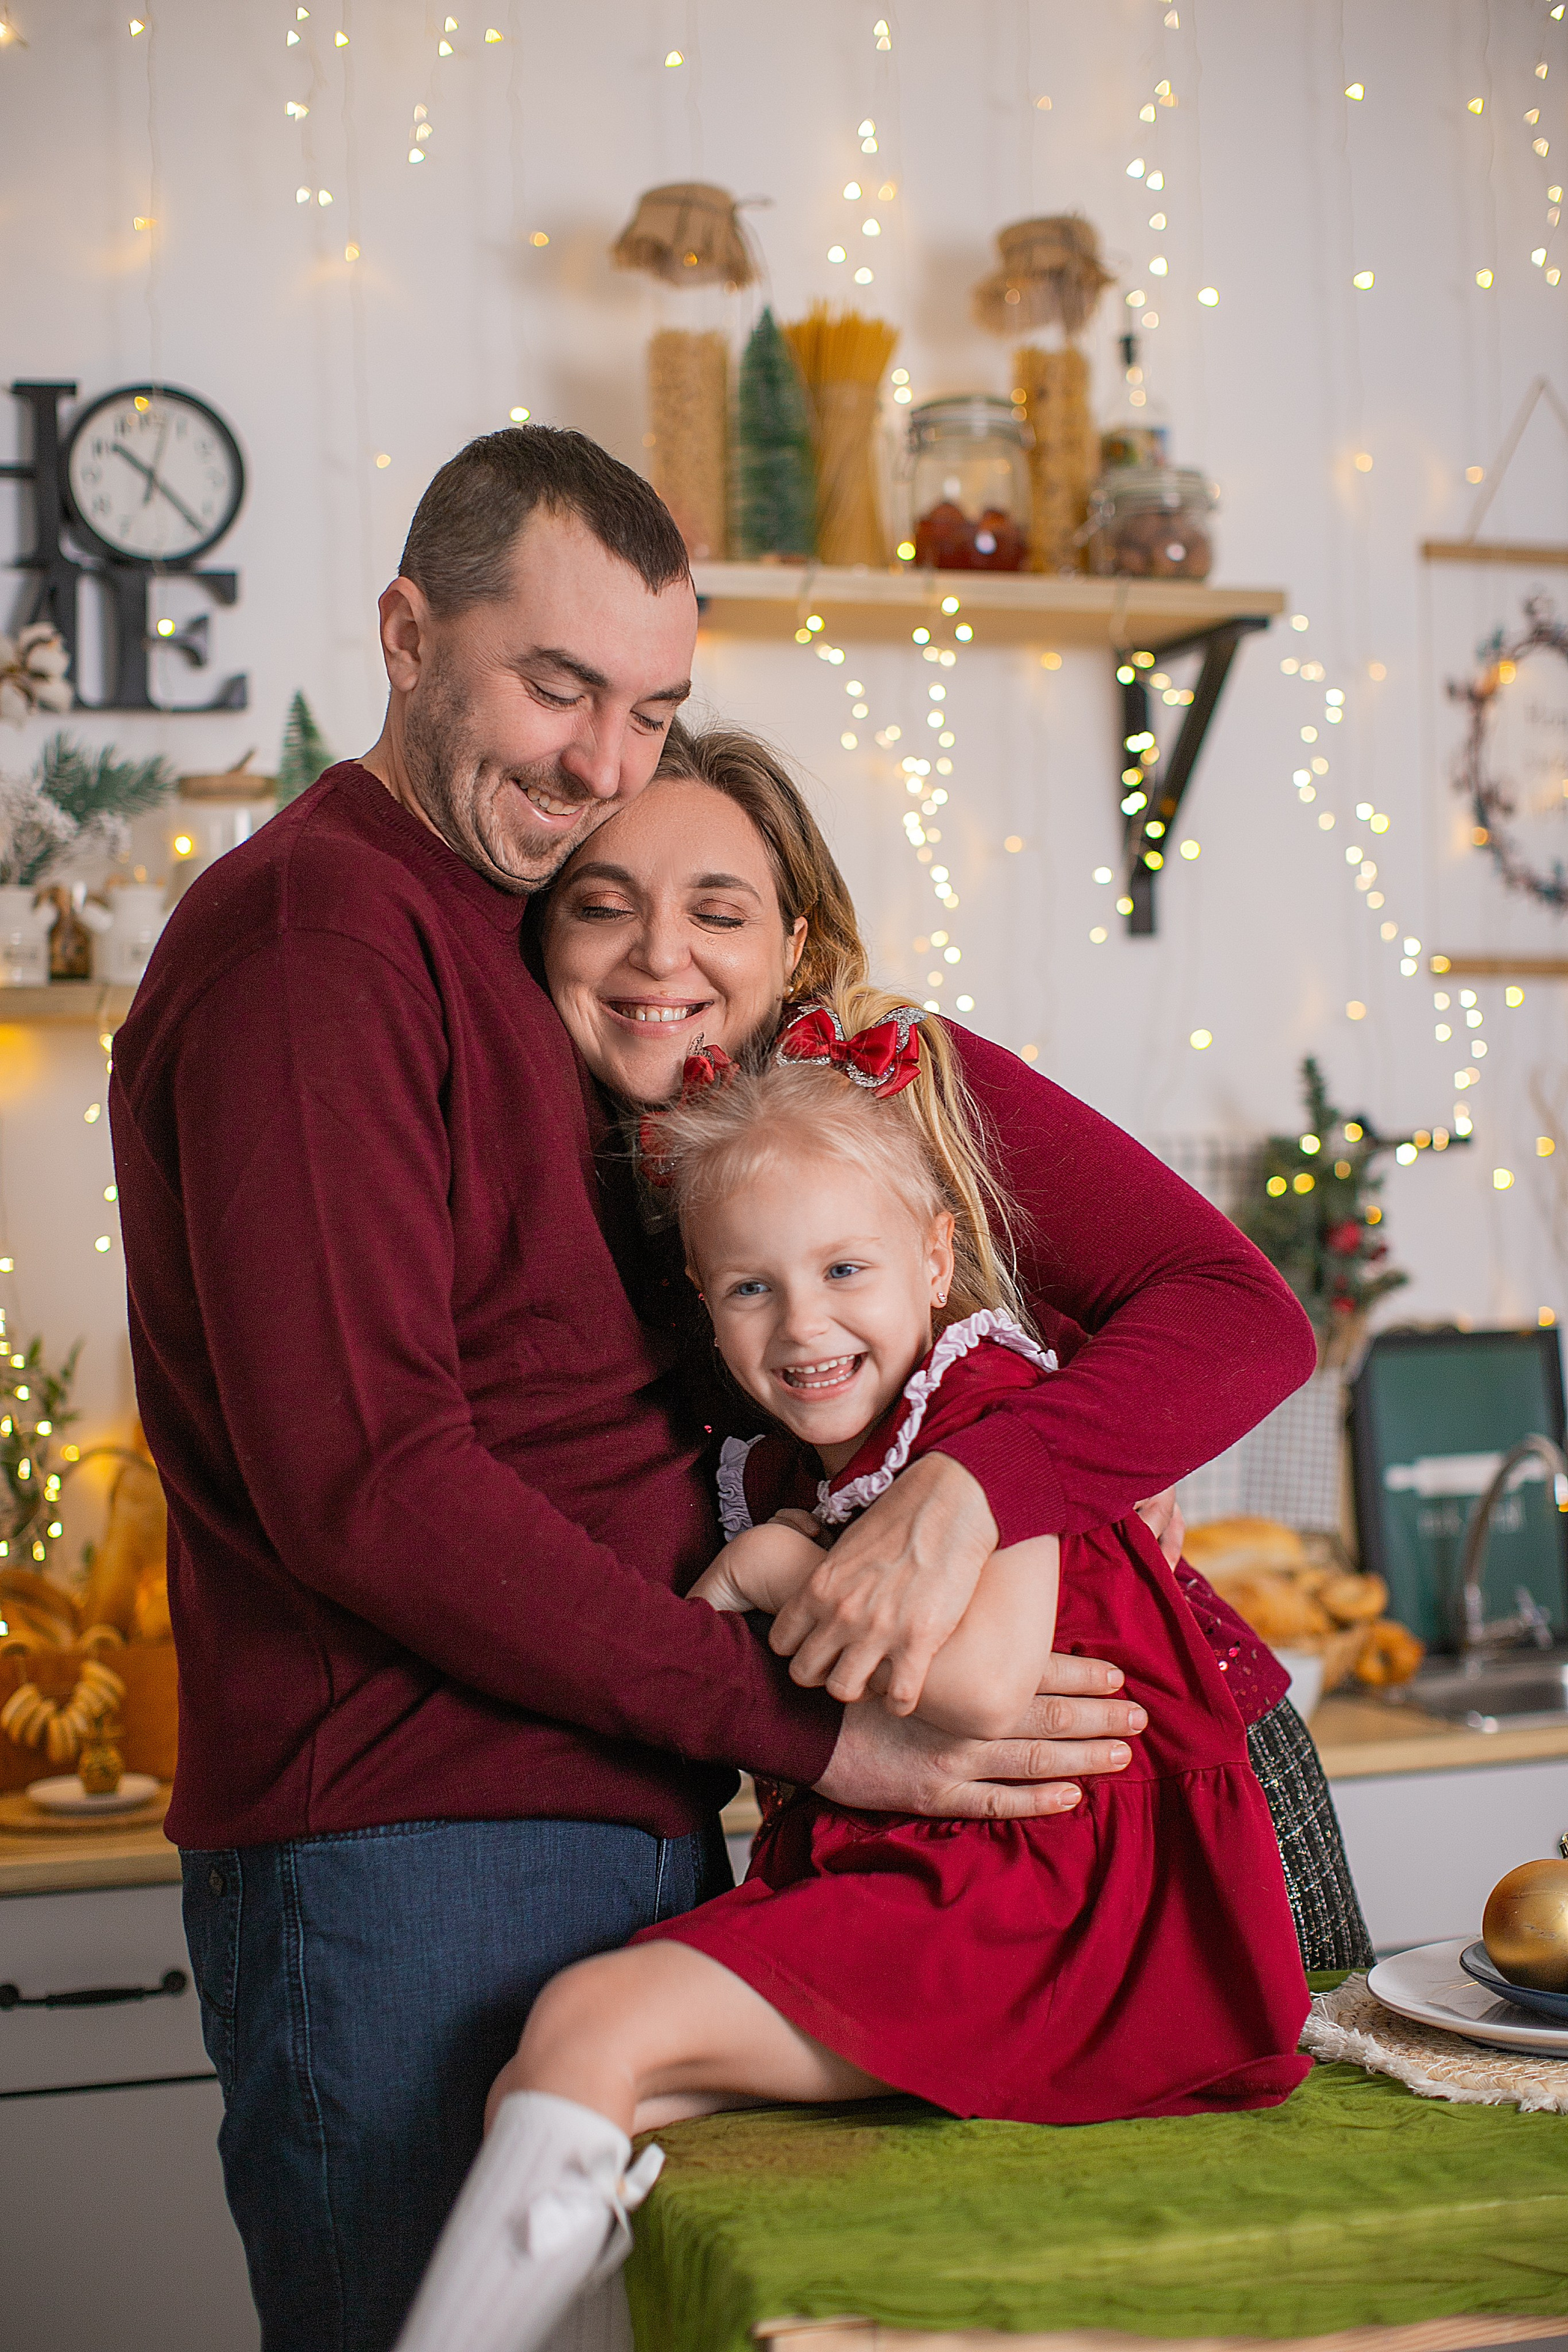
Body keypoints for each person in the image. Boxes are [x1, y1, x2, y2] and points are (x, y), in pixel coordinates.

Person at [109, 426, 1272, 2352]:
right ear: (408, 635)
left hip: (649, 1816)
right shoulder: (328, 934)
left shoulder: (804, 1065)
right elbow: (372, 1484)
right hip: (414, 1841)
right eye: (555, 686)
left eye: (647, 707)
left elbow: (1218, 1308)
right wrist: (806, 1718)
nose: (597, 766)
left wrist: (965, 1498)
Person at [395, 1002, 1312, 2352]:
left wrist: (772, 1571)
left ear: (936, 1259)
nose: (802, 1325)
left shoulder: (983, 1399)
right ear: (703, 1308)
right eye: (750, 1289)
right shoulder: (812, 1458)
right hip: (963, 1887)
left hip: (1056, 1915)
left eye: (843, 1271)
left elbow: (989, 1686)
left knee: (591, 2021)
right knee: (566, 2078)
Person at [532, 724, 1372, 1975]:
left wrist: (980, 1485)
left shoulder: (904, 1086)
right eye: (603, 908)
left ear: (794, 944)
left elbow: (1238, 1315)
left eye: (719, 912)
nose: (663, 954)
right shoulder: (531, 1142)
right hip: (875, 1821)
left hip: (1139, 1775)